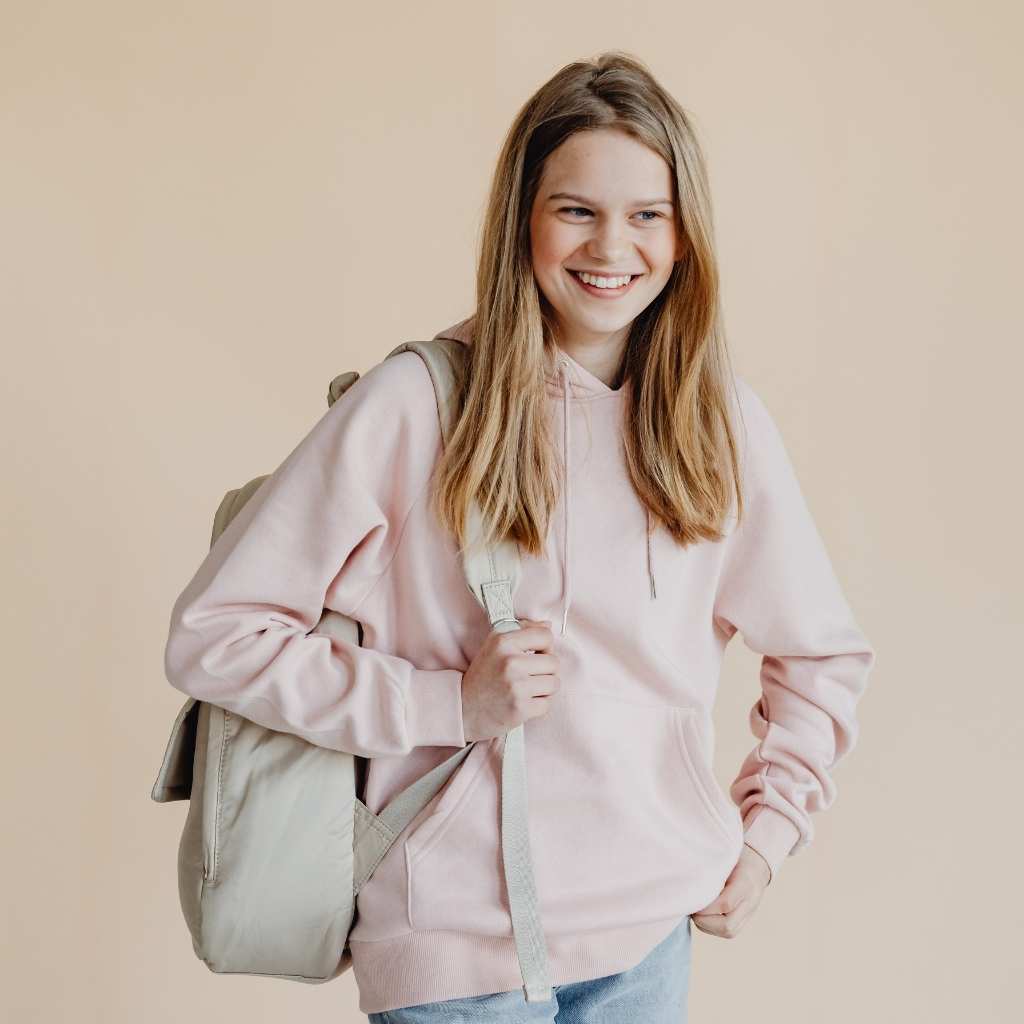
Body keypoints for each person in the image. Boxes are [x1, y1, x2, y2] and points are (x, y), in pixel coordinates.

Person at [163, 50, 875, 1022]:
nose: (611, 245)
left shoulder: (718, 423)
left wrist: (766, 836)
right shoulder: (416, 404)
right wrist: (447, 703)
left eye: (648, 215)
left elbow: (822, 655)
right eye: (575, 209)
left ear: (684, 236)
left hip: (648, 940)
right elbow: (214, 634)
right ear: (522, 221)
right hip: (456, 957)